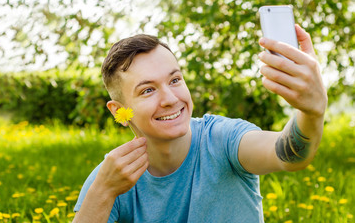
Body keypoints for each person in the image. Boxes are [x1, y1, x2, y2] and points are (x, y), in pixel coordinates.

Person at [73, 24, 327, 222]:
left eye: (174, 80)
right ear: (119, 111)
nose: (171, 99)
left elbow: (289, 155)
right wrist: (102, 193)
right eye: (148, 90)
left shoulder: (223, 139)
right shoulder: (111, 177)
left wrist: (312, 113)